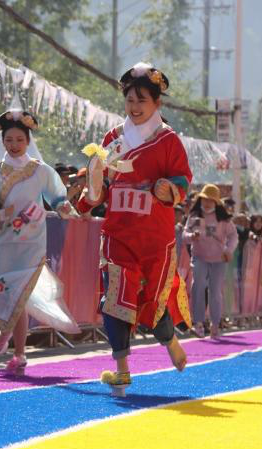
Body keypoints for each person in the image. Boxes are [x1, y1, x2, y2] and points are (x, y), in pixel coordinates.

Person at [78, 62, 192, 396]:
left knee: (149, 303)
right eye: (130, 99)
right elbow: (100, 183)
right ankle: (122, 370)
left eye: (142, 100)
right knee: (114, 298)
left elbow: (183, 180)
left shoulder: (169, 140)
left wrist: (167, 188)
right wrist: (89, 192)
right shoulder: (112, 138)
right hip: (118, 233)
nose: (135, 106)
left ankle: (170, 341)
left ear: (158, 103)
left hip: (155, 238)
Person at [0, 110, 77, 374]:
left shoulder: (41, 171)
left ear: (28, 140)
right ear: (2, 141)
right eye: (9, 139)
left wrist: (64, 206)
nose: (14, 144)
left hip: (32, 243)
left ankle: (16, 350)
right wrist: (1, 215)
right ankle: (7, 342)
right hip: (5, 243)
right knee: (9, 296)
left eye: (19, 139)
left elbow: (57, 196)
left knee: (21, 296)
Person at [184, 184, 238, 339]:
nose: (207, 203)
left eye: (210, 200)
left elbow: (234, 236)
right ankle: (199, 324)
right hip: (199, 257)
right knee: (198, 286)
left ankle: (215, 324)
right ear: (200, 199)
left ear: (216, 203)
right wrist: (191, 236)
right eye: (204, 199)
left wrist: (229, 250)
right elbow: (184, 235)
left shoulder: (223, 219)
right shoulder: (194, 216)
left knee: (215, 292)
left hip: (218, 260)